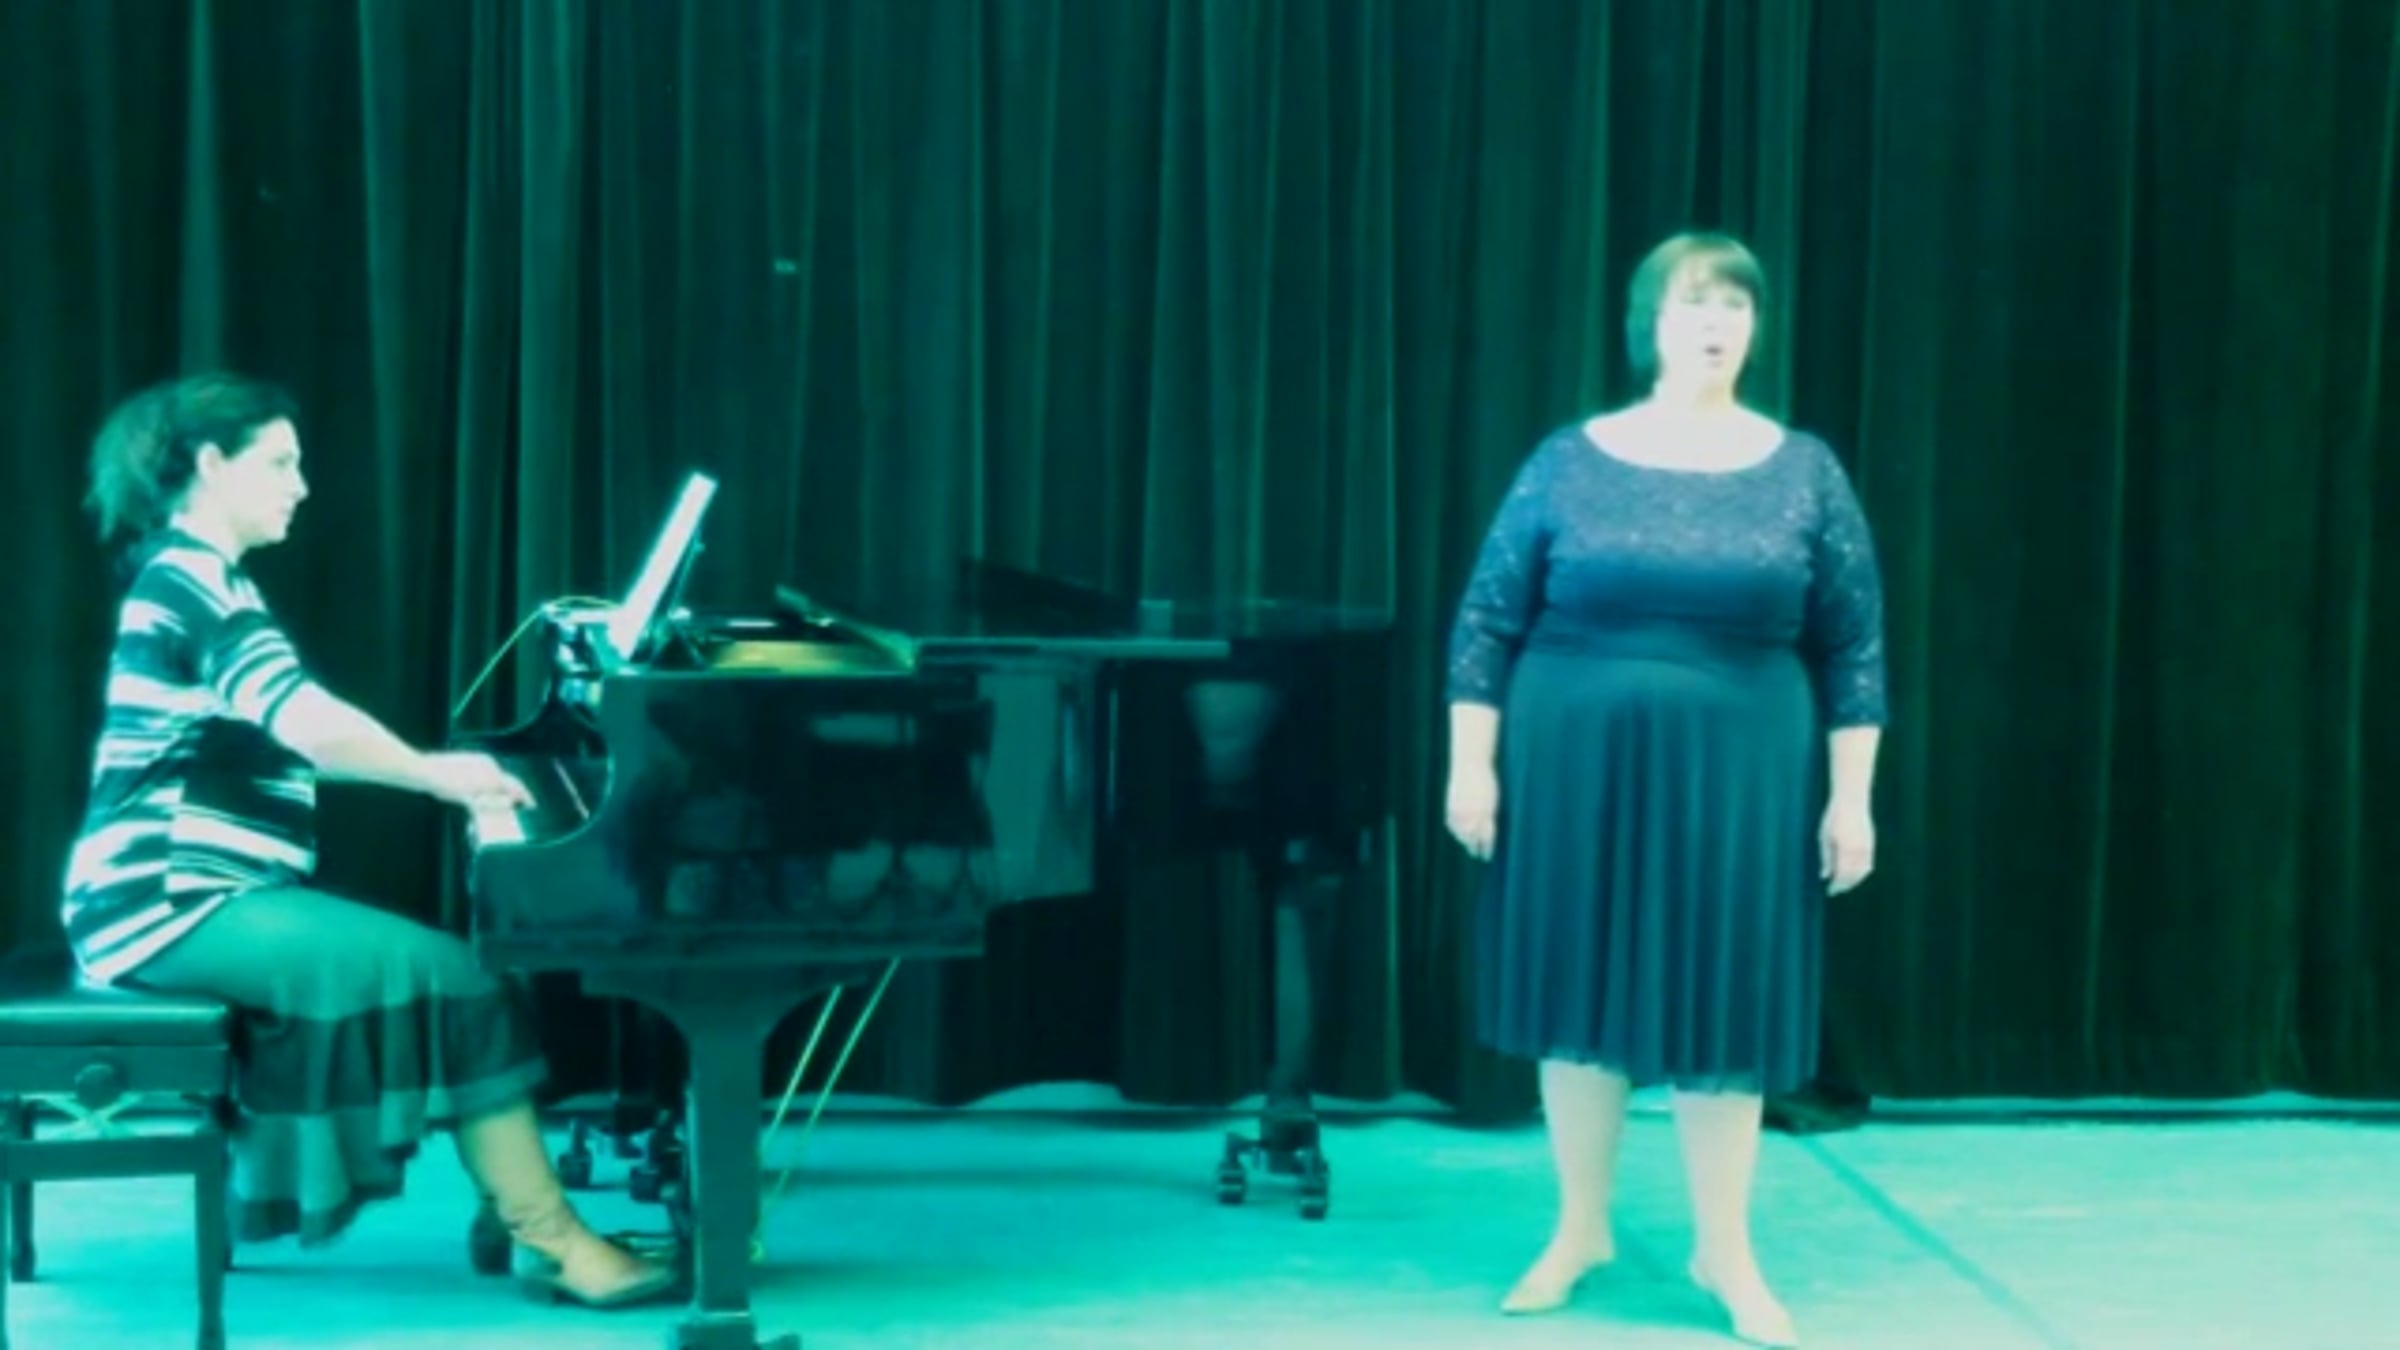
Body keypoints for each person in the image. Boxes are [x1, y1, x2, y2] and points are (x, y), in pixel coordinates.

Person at [59, 372, 676, 1310]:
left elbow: (285, 733)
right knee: (462, 976)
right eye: (280, 463)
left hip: (196, 893)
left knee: (460, 972)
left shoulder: (201, 579)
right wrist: (437, 774)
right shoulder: (191, 583)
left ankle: (517, 1221)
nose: (301, 486)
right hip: (163, 903)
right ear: (211, 464)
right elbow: (308, 724)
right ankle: (549, 1240)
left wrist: (439, 774)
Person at [1444, 232, 1887, 1349]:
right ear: (1652, 322)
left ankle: (1723, 1250)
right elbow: (1487, 621)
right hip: (1570, 761)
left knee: (1723, 1005)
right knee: (1578, 999)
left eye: (1736, 302)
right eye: (1696, 301)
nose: (1718, 321)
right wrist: (1470, 764)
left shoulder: (1804, 469)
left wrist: (1852, 799)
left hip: (1743, 774)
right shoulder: (1568, 459)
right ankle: (1578, 1229)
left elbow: (1855, 647)